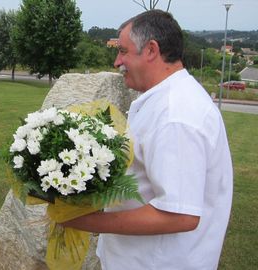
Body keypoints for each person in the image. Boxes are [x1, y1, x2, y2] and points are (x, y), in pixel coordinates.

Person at [62, 10, 233, 270]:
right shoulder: (162, 100)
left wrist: (83, 220)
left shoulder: (176, 114)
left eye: (123, 51)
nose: (117, 61)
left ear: (151, 50)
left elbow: (179, 215)